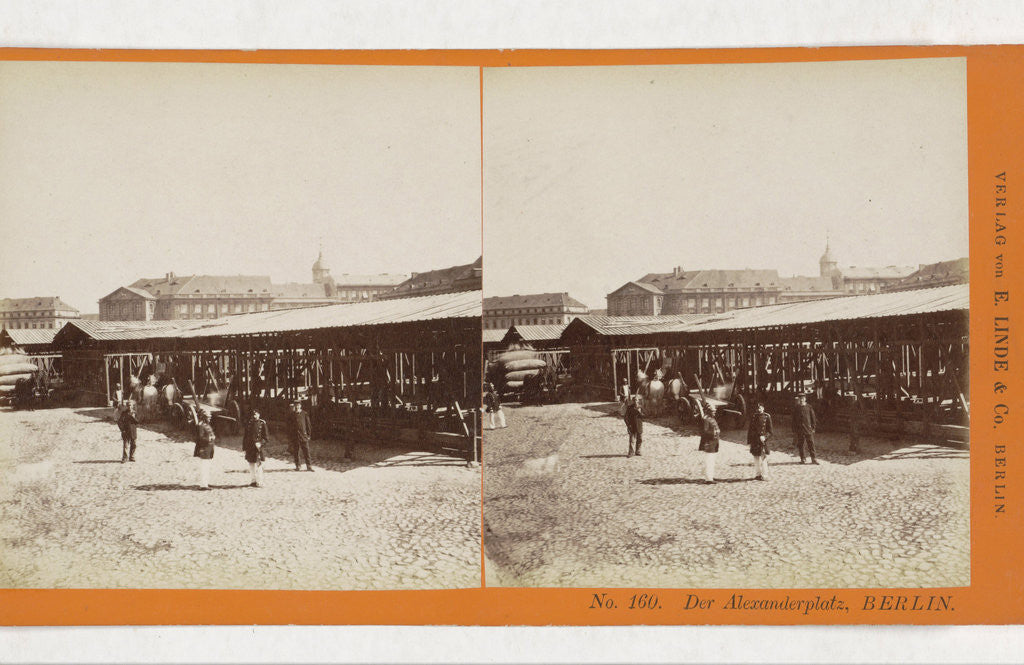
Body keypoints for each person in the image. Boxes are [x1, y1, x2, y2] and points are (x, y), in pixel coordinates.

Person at [242, 408, 269, 487]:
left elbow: (266, 438)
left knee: (259, 464)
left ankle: (260, 481)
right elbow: (245, 436)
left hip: (258, 448)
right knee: (251, 464)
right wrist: (244, 447)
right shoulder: (249, 423)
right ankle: (253, 481)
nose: (255, 416)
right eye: (253, 414)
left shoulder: (262, 424)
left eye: (256, 414)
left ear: (259, 415)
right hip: (250, 447)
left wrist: (260, 443)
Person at [747, 401, 773, 480]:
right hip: (755, 440)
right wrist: (749, 441)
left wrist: (765, 437)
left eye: (760, 407)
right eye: (758, 408)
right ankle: (758, 474)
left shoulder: (767, 416)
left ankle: (765, 475)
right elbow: (750, 430)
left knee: (763, 457)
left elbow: (770, 431)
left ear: (763, 408)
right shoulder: (754, 416)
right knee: (756, 457)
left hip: (762, 441)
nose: (759, 409)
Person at [791, 393, 819, 464]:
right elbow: (793, 419)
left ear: (805, 399)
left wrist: (813, 428)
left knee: (811, 444)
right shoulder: (796, 408)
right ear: (798, 400)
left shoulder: (809, 407)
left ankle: (814, 458)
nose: (801, 400)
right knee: (801, 444)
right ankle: (803, 458)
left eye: (803, 398)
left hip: (808, 429)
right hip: (800, 430)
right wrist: (794, 429)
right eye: (800, 399)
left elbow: (813, 418)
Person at [193, 408, 216, 490]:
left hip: (208, 449)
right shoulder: (201, 426)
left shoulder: (206, 425)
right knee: (204, 467)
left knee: (207, 467)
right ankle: (203, 485)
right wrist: (209, 439)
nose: (210, 418)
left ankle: (205, 482)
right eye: (208, 417)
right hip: (204, 449)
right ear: (204, 417)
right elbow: (199, 438)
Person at [289, 400, 314, 471]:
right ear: (294, 406)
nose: (297, 407)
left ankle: (309, 466)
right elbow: (289, 426)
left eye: (298, 405)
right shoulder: (291, 415)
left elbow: (308, 425)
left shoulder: (304, 414)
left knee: (306, 451)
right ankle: (298, 466)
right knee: (296, 452)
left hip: (303, 436)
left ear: (300, 406)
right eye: (296, 405)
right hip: (295, 436)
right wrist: (290, 436)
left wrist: (308, 435)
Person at [698, 404, 721, 483]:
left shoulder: (711, 419)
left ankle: (711, 476)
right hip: (709, 443)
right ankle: (708, 479)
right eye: (712, 411)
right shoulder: (706, 420)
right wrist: (714, 432)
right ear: (708, 411)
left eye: (714, 411)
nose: (714, 412)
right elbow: (704, 431)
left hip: (713, 443)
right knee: (709, 461)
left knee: (712, 461)